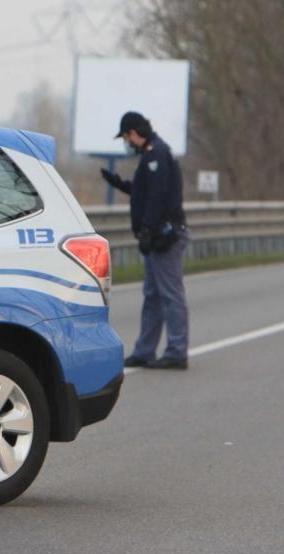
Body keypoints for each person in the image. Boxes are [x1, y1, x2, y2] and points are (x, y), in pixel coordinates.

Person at [101, 111, 189, 370]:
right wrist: (120, 184)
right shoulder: (152, 154)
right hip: (157, 234)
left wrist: (149, 230)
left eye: (127, 137)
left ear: (134, 133)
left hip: (165, 236)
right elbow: (146, 191)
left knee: (170, 294)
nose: (127, 143)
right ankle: (145, 350)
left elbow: (159, 196)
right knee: (152, 295)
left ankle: (176, 350)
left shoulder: (156, 154)